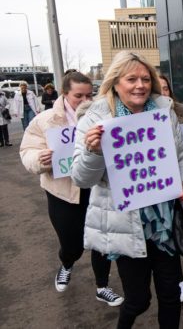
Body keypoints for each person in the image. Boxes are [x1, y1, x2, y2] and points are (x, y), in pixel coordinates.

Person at [71, 51, 183, 329]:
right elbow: (81, 179)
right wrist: (94, 151)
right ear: (116, 83)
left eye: (145, 78)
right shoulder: (95, 118)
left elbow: (180, 158)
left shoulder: (164, 111)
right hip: (125, 225)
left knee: (170, 295)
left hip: (163, 223)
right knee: (138, 301)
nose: (140, 85)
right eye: (131, 79)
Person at [19, 70, 124, 306]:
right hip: (63, 193)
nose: (86, 101)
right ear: (65, 94)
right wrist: (39, 159)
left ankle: (102, 286)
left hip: (97, 188)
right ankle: (67, 263)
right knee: (72, 243)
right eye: (79, 96)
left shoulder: (104, 116)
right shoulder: (45, 120)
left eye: (90, 95)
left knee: (102, 241)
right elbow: (27, 150)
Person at [157, 73, 183, 303]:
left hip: (178, 177)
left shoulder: (180, 111)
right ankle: (173, 279)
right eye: (158, 88)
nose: (163, 92)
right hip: (153, 181)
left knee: (174, 226)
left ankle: (178, 281)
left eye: (166, 88)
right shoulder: (141, 116)